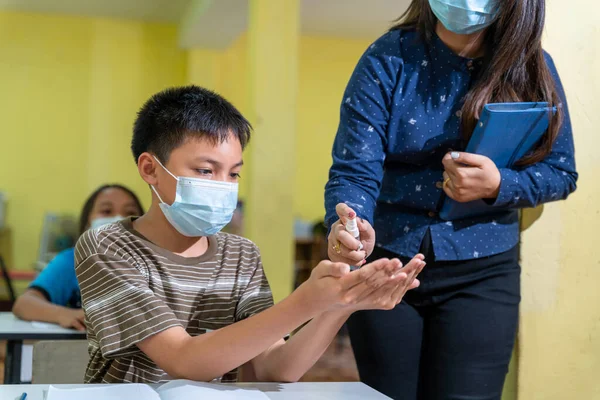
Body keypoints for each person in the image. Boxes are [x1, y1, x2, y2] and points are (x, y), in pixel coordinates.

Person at [74, 85, 426, 384]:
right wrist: (305, 300)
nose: (222, 186)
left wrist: (337, 305)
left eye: (233, 174)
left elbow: (276, 368)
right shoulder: (107, 246)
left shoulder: (240, 254)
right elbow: (183, 360)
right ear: (150, 168)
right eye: (205, 170)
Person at [324, 1, 577, 399]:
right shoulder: (387, 57)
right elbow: (354, 171)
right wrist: (349, 223)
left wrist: (499, 184)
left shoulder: (533, 67)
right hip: (388, 265)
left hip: (484, 274)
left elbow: (561, 173)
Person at [12, 184, 144, 331]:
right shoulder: (71, 260)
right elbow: (24, 304)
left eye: (130, 212)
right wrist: (66, 315)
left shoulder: (152, 263)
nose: (119, 218)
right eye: (106, 211)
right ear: (87, 222)